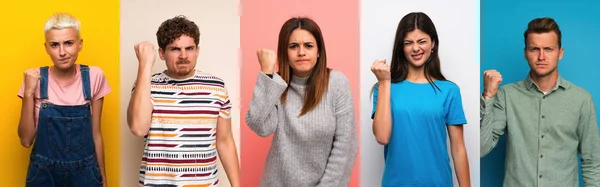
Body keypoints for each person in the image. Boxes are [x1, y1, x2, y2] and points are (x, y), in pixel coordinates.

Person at [481, 17, 600, 186]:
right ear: (525, 53)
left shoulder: (581, 99)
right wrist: (488, 96)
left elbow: (592, 161)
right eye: (534, 49)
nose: (541, 56)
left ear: (560, 53)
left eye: (549, 49)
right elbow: (480, 148)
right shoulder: (506, 95)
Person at [127, 15, 240, 187]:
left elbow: (224, 141)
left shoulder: (216, 86)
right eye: (175, 49)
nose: (183, 55)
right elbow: (138, 127)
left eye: (189, 48)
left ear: (197, 51)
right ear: (161, 53)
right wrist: (145, 65)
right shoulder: (147, 85)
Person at [245, 17, 357, 187]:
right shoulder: (276, 85)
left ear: (319, 52)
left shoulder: (337, 83)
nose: (301, 52)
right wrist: (266, 74)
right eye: (293, 46)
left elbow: (345, 147)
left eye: (309, 46)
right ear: (285, 52)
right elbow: (260, 126)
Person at [370, 12, 470, 187]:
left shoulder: (449, 91)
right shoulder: (384, 88)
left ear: (433, 44)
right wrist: (385, 81)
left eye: (421, 41)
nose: (415, 48)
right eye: (408, 43)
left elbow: (458, 148)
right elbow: (382, 136)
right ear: (401, 47)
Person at [18, 12, 110, 186]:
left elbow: (96, 134)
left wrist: (102, 178)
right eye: (54, 45)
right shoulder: (34, 78)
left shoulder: (94, 76)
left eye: (68, 43)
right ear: (46, 47)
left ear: (80, 44)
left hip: (86, 174)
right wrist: (28, 93)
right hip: (43, 175)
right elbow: (25, 140)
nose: (62, 52)